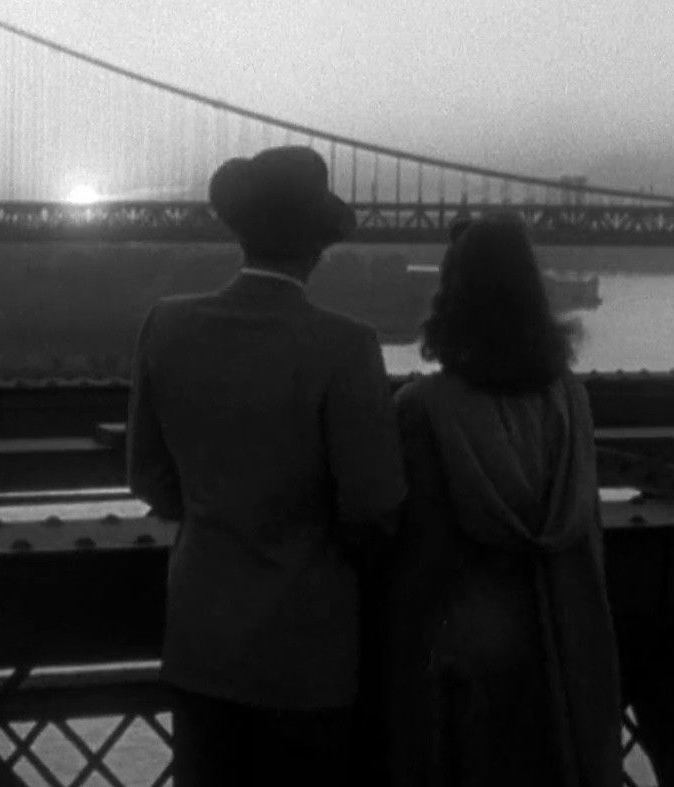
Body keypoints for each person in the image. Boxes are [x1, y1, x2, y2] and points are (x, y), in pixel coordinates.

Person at [126, 146, 405, 786]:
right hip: (308, 658)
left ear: (241, 233)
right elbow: (374, 506)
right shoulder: (347, 346)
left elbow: (147, 477)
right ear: (318, 247)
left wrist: (217, 506)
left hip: (200, 640)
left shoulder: (165, 326)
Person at [383, 213, 623, 787]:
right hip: (560, 648)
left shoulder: (422, 409)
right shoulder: (572, 402)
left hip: (462, 655)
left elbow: (417, 551)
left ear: (451, 297)